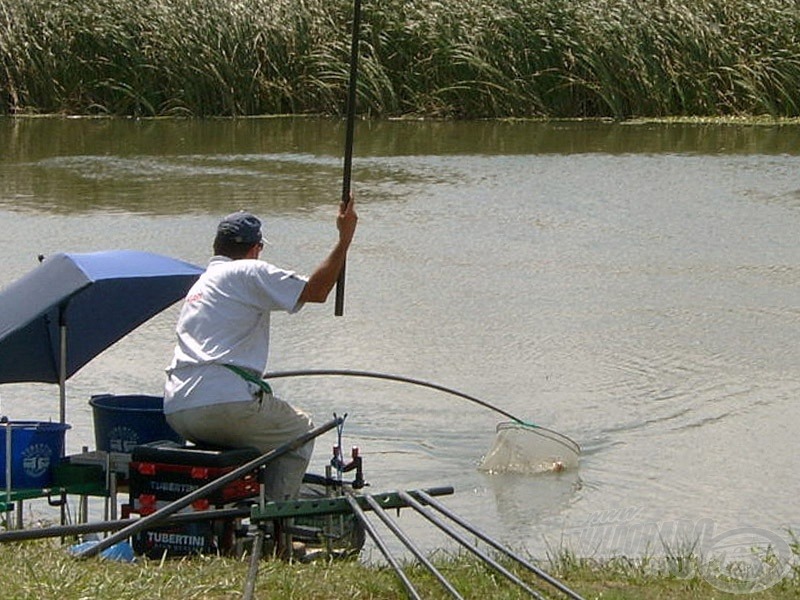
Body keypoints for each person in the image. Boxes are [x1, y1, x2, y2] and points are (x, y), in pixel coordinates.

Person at [163, 197, 358, 501]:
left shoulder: (200, 284)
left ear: (217, 247)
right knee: (300, 431)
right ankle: (276, 524)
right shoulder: (247, 272)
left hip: (178, 408)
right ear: (256, 249)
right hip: (223, 403)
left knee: (251, 434)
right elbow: (317, 291)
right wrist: (344, 240)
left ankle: (238, 514)